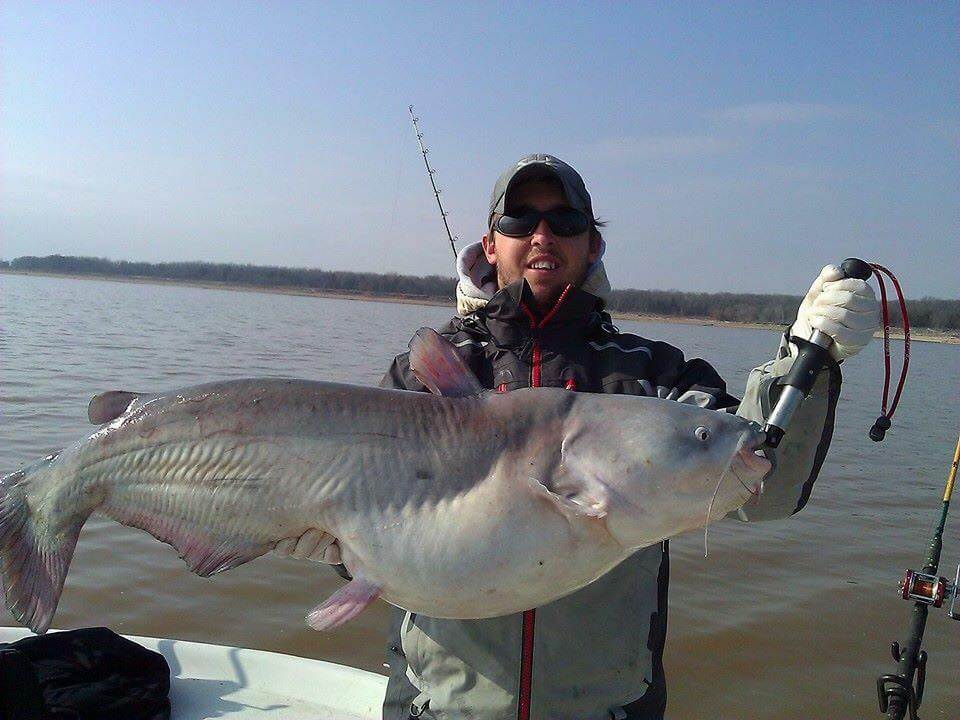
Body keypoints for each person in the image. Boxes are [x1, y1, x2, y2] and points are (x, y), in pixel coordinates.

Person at [377, 154, 879, 720]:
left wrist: (806, 364)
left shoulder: (655, 378)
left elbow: (767, 486)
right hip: (437, 705)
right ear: (490, 244)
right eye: (519, 219)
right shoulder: (423, 377)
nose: (542, 234)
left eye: (565, 221)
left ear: (593, 245)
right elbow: (353, 525)